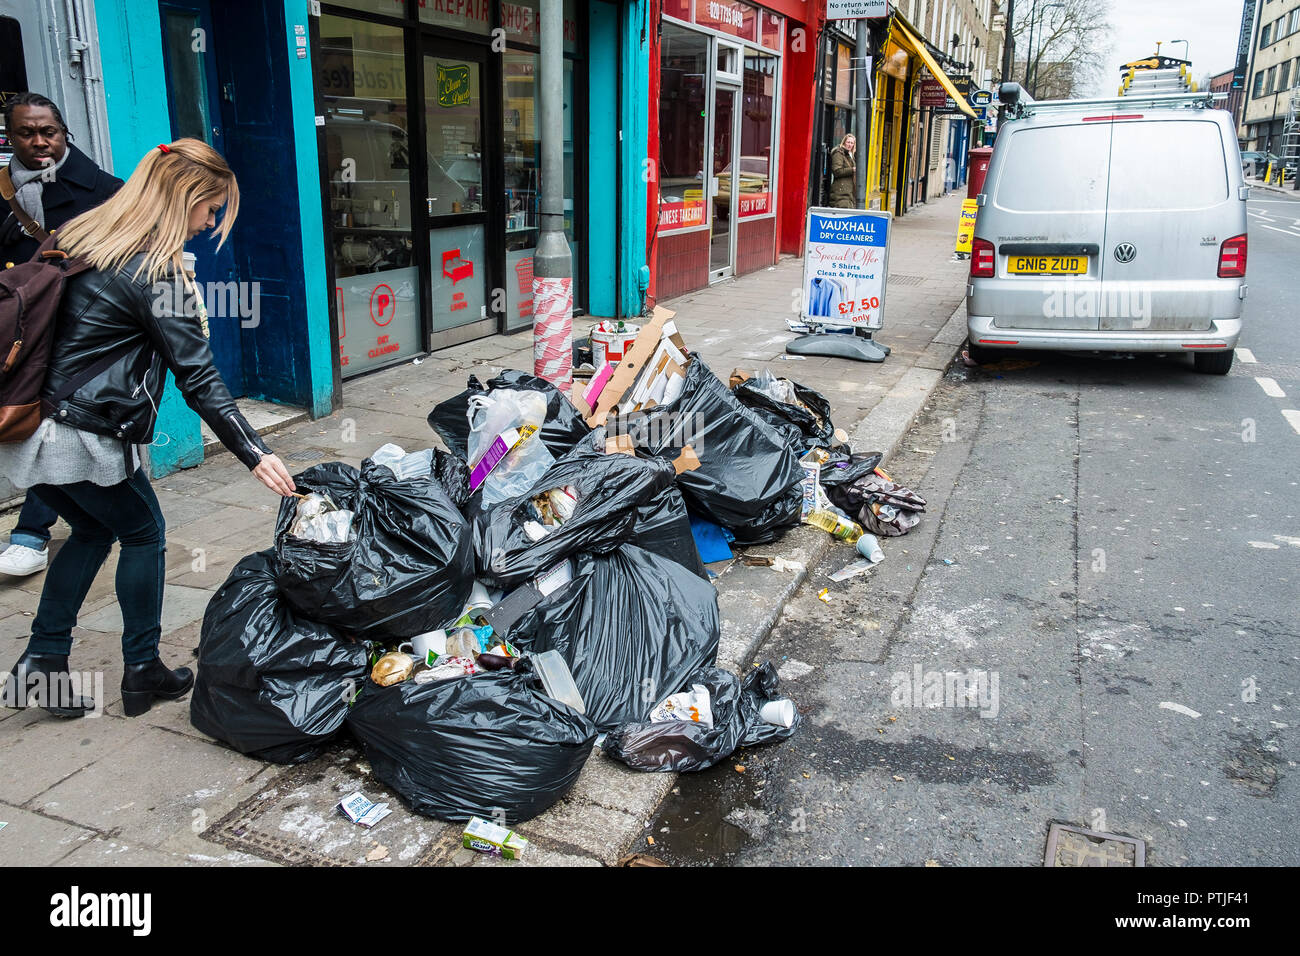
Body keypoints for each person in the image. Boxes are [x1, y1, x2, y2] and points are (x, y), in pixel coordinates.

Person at [0, 138, 296, 719]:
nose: (210, 222)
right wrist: (255, 452)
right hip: (77, 435)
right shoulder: (154, 269)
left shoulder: (84, 234)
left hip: (33, 426)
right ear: (185, 196)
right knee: (144, 533)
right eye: (210, 208)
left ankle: (43, 661)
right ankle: (141, 670)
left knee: (90, 532)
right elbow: (198, 375)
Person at [0, 92, 124, 577]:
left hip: (78, 334)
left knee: (51, 423)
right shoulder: (4, 193)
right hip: (17, 331)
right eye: (26, 133)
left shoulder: (104, 190)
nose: (39, 142)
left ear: (65, 132)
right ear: (9, 139)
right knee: (27, 420)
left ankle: (31, 533)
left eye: (47, 132)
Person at [828, 134, 857, 209]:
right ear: (844, 142)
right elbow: (837, 171)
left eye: (852, 143)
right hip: (840, 194)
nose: (850, 145)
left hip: (848, 194)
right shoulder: (839, 153)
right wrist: (852, 170)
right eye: (848, 142)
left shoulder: (850, 155)